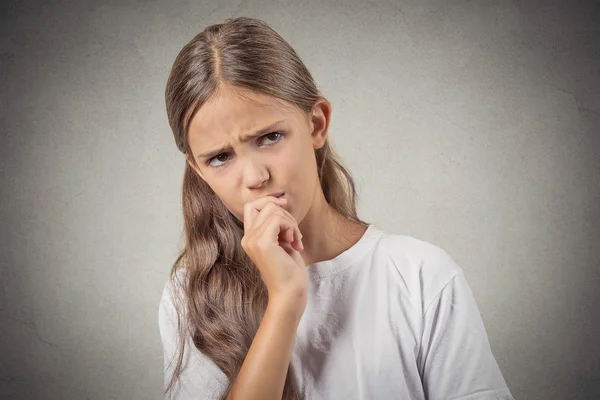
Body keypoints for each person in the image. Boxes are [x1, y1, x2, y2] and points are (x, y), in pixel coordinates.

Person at [158, 16, 515, 400]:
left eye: (270, 137)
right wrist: (285, 302)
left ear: (316, 124)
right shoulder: (192, 296)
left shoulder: (420, 276)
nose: (254, 176)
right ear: (197, 168)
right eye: (219, 158)